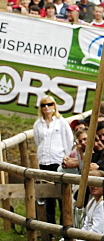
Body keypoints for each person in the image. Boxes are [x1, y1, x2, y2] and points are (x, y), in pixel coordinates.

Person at [32, 97, 75, 230]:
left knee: (62, 194)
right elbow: (38, 140)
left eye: (49, 104)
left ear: (54, 106)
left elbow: (68, 140)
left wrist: (66, 157)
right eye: (43, 105)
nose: (47, 107)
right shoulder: (38, 124)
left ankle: (65, 225)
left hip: (58, 161)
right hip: (44, 161)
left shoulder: (61, 122)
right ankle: (49, 227)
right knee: (47, 195)